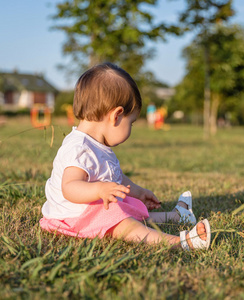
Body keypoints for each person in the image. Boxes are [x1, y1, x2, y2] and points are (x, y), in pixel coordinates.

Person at [39, 62, 211, 251]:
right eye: (132, 122)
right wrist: (99, 190)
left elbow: (115, 176)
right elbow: (69, 187)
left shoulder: (97, 145)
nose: (131, 128)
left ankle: (177, 217)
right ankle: (181, 242)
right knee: (121, 219)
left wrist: (138, 192)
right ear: (117, 116)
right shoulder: (79, 148)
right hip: (71, 217)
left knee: (129, 205)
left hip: (89, 209)